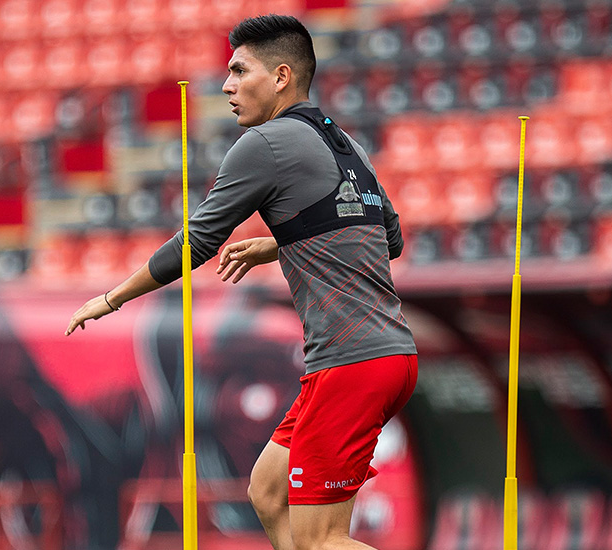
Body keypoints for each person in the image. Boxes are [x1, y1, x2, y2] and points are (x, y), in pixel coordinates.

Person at [65, 14, 417, 550]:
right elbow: (388, 238)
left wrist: (112, 298)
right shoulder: (348, 145)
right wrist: (281, 242)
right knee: (267, 491)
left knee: (321, 541)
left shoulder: (265, 144)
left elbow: (196, 242)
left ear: (280, 76)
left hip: (350, 363)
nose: (227, 85)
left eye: (239, 71)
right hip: (383, 357)